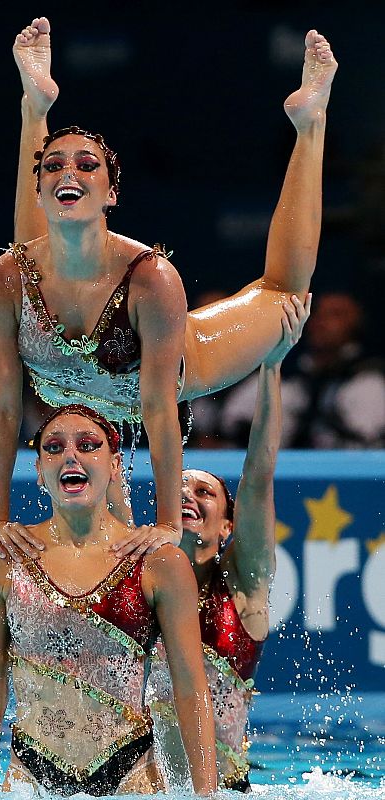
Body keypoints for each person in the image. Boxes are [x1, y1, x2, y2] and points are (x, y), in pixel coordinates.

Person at [0, 18, 337, 561]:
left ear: (111, 193)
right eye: (52, 166)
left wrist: (168, 522)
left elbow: (159, 406)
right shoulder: (2, 280)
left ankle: (310, 122)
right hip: (66, 380)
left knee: (284, 294)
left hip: (176, 366)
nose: (66, 172)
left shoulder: (150, 277)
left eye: (85, 165)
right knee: (32, 259)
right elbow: (3, 407)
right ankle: (34, 106)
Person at [0, 405, 217, 795]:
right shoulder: (3, 558)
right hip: (30, 776)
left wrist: (208, 794)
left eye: (88, 445)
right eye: (54, 448)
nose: (71, 456)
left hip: (131, 775)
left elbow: (191, 689)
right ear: (40, 472)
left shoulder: (157, 562)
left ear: (114, 466)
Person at [146, 294, 310, 792]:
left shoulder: (245, 591)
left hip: (223, 790)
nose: (189, 497)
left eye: (206, 492)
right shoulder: (140, 582)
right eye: (182, 489)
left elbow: (258, 474)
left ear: (227, 527)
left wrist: (271, 366)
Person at [220, 292, 385, 449]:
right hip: (281, 471)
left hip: (342, 473)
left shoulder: (368, 382)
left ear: (356, 324)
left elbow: (367, 447)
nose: (322, 322)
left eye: (335, 315)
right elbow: (227, 427)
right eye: (318, 314)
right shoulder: (285, 376)